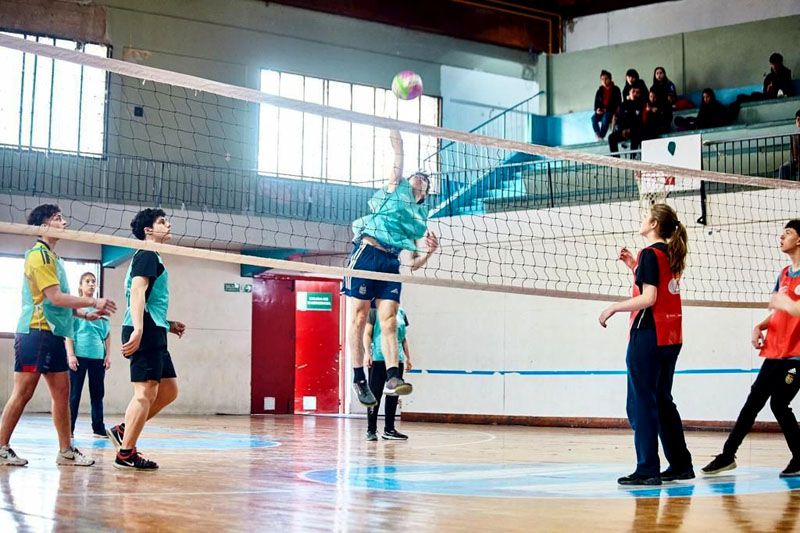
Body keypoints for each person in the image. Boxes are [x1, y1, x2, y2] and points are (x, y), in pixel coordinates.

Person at [0, 204, 116, 467]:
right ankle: (1, 446)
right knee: (23, 392)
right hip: (35, 331)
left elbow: (56, 304)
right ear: (43, 226)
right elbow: (55, 297)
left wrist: (85, 316)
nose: (64, 222)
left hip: (53, 332)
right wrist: (92, 303)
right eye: (57, 218)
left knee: (63, 393)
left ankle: (66, 451)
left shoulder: (54, 259)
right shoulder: (38, 256)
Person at [343, 130, 439, 407]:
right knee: (360, 318)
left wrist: (429, 253)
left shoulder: (420, 219)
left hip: (391, 262)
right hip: (368, 253)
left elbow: (414, 264)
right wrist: (396, 136)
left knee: (388, 321)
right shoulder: (395, 190)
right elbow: (397, 159)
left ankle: (393, 377)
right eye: (415, 177)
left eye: (423, 180)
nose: (418, 179)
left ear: (425, 193)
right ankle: (359, 378)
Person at [599, 203, 693, 486]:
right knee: (662, 401)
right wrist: (634, 269)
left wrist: (614, 307)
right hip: (671, 337)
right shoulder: (668, 254)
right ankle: (680, 464)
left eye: (645, 217)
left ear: (654, 224)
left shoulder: (649, 253)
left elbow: (649, 298)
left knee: (641, 403)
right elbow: (659, 288)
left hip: (649, 335)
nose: (641, 221)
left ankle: (647, 468)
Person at [702, 220, 800, 478]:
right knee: (753, 402)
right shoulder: (783, 274)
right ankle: (727, 456)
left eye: (788, 233)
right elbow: (779, 313)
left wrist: (787, 304)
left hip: (796, 356)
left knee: (779, 404)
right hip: (775, 351)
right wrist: (759, 326)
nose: (781, 237)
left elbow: (792, 309)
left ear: (799, 240)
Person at [106, 208, 186, 470]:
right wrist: (139, 330)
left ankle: (123, 430)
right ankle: (126, 453)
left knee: (169, 390)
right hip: (145, 330)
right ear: (148, 230)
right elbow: (137, 293)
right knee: (145, 393)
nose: (169, 224)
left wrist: (168, 324)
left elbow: (148, 298)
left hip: (154, 328)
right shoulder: (147, 253)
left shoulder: (153, 256)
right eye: (163, 222)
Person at [66, 272, 111, 438]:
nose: (91, 284)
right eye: (87, 281)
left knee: (97, 394)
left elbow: (106, 334)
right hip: (79, 356)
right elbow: (68, 333)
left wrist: (107, 355)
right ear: (80, 286)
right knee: (74, 394)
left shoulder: (101, 310)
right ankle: (68, 428)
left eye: (94, 281)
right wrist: (71, 355)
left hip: (98, 357)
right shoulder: (76, 308)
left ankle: (98, 428)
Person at [364, 305, 413, 441]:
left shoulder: (402, 312)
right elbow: (367, 334)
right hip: (378, 359)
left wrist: (408, 358)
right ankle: (371, 430)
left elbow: (403, 338)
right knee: (375, 394)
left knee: (394, 394)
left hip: (397, 360)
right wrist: (367, 354)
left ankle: (389, 430)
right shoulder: (374, 311)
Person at [608, 86, 645, 157]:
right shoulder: (623, 105)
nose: (635, 94)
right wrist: (622, 130)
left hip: (635, 130)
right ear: (629, 93)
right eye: (633, 91)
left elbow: (640, 121)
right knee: (611, 138)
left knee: (637, 135)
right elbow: (619, 118)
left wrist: (630, 129)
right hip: (623, 131)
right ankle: (617, 160)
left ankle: (633, 158)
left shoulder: (641, 105)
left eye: (637, 92)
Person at [592, 70, 622, 141]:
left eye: (606, 79)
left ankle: (601, 136)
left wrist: (607, 109)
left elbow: (618, 102)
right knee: (593, 118)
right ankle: (598, 134)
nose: (604, 81)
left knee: (605, 117)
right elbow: (596, 103)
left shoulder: (616, 89)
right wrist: (597, 110)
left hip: (611, 111)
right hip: (602, 111)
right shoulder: (599, 91)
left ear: (610, 79)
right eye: (602, 79)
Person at [777, 110, 800, 180]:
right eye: (797, 119)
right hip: (796, 162)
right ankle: (783, 189)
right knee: (783, 169)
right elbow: (792, 152)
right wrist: (794, 160)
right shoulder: (794, 136)